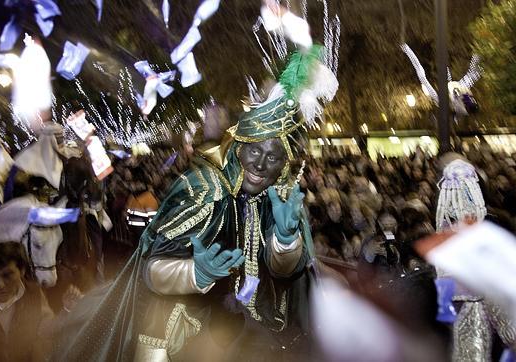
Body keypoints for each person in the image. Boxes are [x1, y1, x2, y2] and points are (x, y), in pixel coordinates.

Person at [54, 45, 337, 361]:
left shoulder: (278, 197)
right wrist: (197, 272)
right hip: (184, 324)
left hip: (253, 328)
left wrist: (285, 238)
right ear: (238, 148)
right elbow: (153, 268)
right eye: (255, 152)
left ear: (283, 164)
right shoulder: (205, 189)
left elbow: (282, 271)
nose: (260, 165)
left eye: (272, 157)